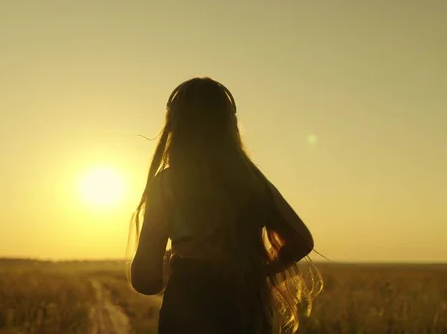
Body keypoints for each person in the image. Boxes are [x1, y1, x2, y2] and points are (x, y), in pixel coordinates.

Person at [128, 77, 318, 334]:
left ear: (175, 124)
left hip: (188, 309)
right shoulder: (251, 181)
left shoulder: (168, 184)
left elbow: (144, 280)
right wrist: (258, 273)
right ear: (230, 125)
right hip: (248, 310)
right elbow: (301, 240)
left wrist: (170, 267)